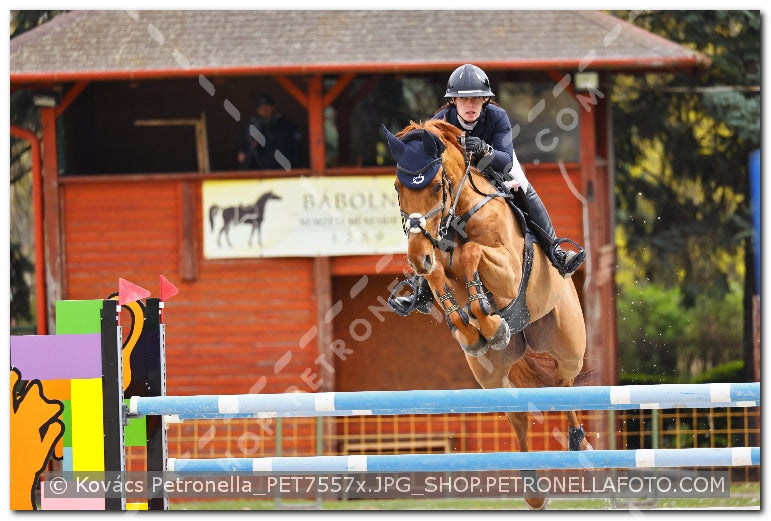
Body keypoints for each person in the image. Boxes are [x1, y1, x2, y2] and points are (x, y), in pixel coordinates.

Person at [389, 64, 586, 316]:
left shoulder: (496, 116)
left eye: (476, 99)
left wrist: (484, 149)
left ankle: (555, 250)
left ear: (485, 100)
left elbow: (505, 159)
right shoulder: (440, 122)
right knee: (435, 214)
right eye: (463, 99)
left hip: (495, 168)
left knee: (524, 187)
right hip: (459, 181)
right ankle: (421, 289)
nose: (470, 105)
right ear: (453, 102)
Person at [238, 95, 307, 170]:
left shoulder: (285, 125)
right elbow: (247, 147)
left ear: (272, 107)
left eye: (267, 107)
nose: (264, 110)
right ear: (257, 110)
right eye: (261, 108)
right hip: (261, 171)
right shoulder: (253, 127)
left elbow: (297, 149)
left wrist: (295, 168)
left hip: (284, 170)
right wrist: (243, 152)